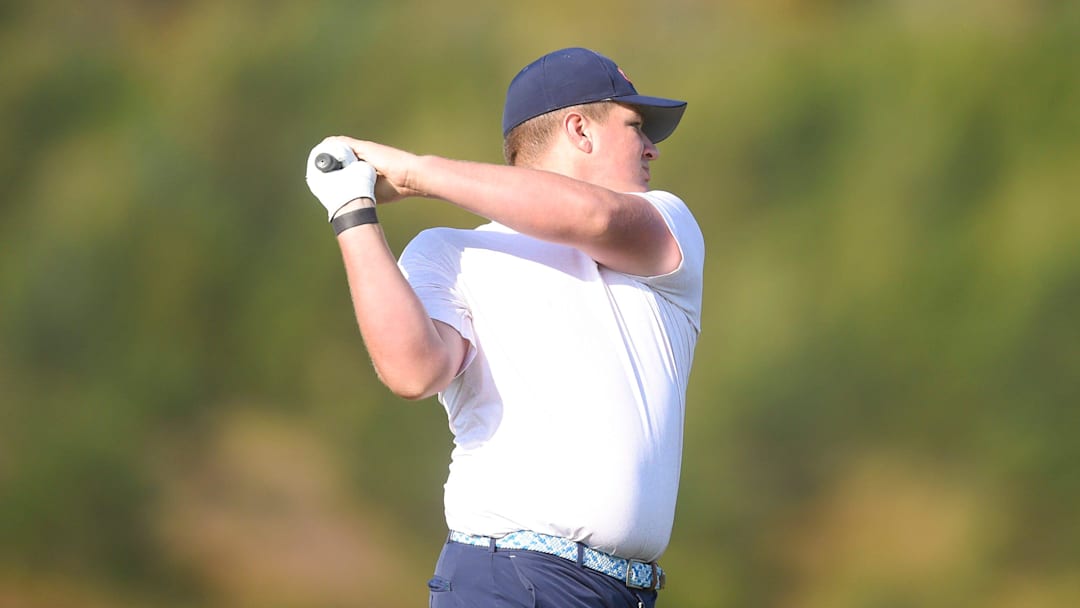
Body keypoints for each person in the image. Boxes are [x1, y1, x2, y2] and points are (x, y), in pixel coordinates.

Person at [304, 47, 704, 608]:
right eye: (636, 127)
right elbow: (413, 371)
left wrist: (417, 173)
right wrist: (353, 210)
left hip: (622, 593)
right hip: (503, 579)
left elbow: (594, 217)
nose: (652, 148)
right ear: (579, 130)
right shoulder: (450, 252)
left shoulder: (664, 224)